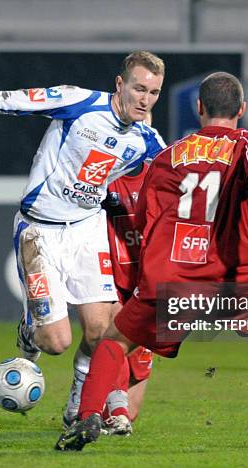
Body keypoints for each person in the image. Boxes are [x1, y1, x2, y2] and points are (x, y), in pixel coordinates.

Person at [55, 72, 248, 451]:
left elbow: (149, 221)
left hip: (173, 280)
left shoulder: (167, 156)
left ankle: (87, 416)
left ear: (199, 108)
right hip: (237, 282)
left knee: (113, 342)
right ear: (242, 109)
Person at [0, 51, 166, 426]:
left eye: (154, 92)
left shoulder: (147, 140)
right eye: (139, 88)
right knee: (54, 342)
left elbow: (182, 171)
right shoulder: (77, 102)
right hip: (39, 230)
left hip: (87, 230)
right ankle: (31, 330)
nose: (145, 99)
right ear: (120, 84)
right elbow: (8, 100)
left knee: (102, 329)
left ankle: (77, 406)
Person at [98, 160, 154, 437]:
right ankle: (83, 407)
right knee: (109, 337)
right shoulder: (105, 176)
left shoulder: (161, 174)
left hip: (146, 285)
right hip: (110, 282)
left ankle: (99, 405)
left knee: (132, 409)